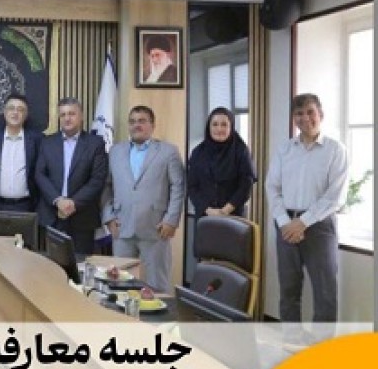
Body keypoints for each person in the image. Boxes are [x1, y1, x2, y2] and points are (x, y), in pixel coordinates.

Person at [265, 93, 348, 323]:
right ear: (294, 119)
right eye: (299, 113)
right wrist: (285, 223)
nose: (305, 118)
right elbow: (272, 187)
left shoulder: (335, 150)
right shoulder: (284, 149)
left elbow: (335, 196)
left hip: (320, 226)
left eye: (310, 112)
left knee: (325, 293)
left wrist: (303, 222)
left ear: (321, 114)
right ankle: (291, 339)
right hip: (285, 225)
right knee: (288, 290)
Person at [102, 105, 185, 293]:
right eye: (132, 121)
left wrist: (171, 220)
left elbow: (178, 187)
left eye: (142, 121)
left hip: (156, 228)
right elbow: (106, 186)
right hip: (122, 227)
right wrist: (108, 217)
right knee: (120, 283)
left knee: (158, 285)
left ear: (152, 125)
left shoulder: (168, 152)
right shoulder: (115, 151)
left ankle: (159, 314)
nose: (136, 125)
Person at [34, 97, 108, 256]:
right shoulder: (47, 142)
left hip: (82, 217)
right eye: (63, 114)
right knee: (49, 265)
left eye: (71, 114)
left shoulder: (96, 143)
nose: (67, 118)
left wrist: (73, 203)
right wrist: (58, 200)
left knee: (80, 265)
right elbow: (40, 174)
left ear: (81, 116)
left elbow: (97, 179)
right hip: (51, 216)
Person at [187, 107, 256, 219]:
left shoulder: (241, 151)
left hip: (234, 217)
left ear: (231, 127)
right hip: (204, 216)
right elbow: (192, 187)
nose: (219, 129)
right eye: (215, 124)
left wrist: (225, 210)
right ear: (208, 127)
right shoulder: (198, 152)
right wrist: (208, 210)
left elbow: (245, 186)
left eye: (224, 125)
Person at [0, 93, 41, 214]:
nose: (15, 112)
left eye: (20, 109)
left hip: (26, 206)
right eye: (11, 108)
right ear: (4, 112)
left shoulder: (37, 140)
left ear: (26, 115)